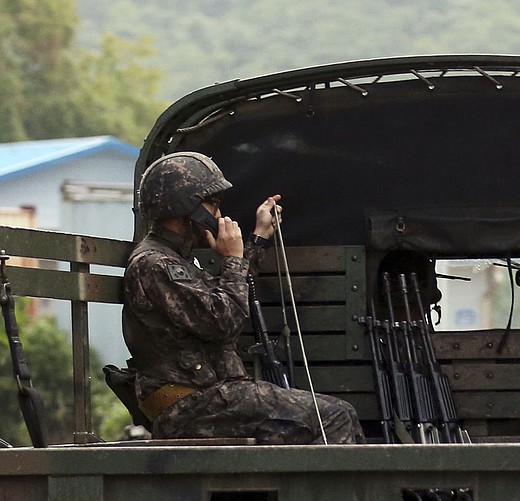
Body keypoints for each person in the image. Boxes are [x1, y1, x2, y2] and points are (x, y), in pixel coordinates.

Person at [122, 151, 364, 444]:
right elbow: (225, 322)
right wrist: (232, 259)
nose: (218, 215)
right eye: (212, 204)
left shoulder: (176, 261)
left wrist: (258, 238)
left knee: (333, 416)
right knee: (334, 418)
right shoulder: (155, 265)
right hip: (192, 404)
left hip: (211, 398)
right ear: (187, 207)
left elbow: (231, 293)